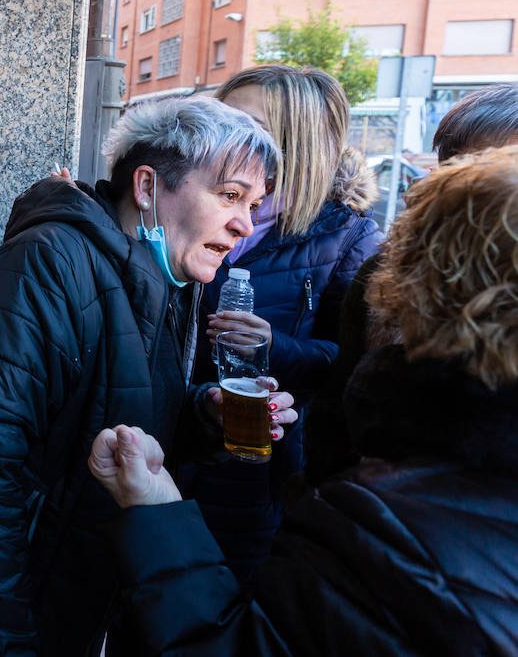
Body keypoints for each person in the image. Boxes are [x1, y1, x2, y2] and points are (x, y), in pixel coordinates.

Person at [0, 96, 285, 656]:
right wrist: (1, 646)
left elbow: (116, 412)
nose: (245, 223)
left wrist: (204, 415)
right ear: (147, 188)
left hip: (55, 593)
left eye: (254, 203)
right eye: (229, 195)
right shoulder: (44, 268)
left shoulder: (171, 279)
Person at [89, 144, 518, 656]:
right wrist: (206, 412)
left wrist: (156, 511)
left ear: (416, 287)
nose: (243, 223)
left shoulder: (384, 524)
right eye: (230, 191)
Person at [179, 66, 382, 583]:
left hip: (256, 472)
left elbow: (356, 363)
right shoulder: (180, 204)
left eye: (248, 123)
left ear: (299, 143)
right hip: (161, 443)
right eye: (222, 117)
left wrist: (278, 345)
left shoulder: (347, 238)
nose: (228, 134)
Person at [305, 81, 518, 484]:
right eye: (455, 169)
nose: (470, 189)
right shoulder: (386, 273)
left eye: (499, 168)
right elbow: (334, 414)